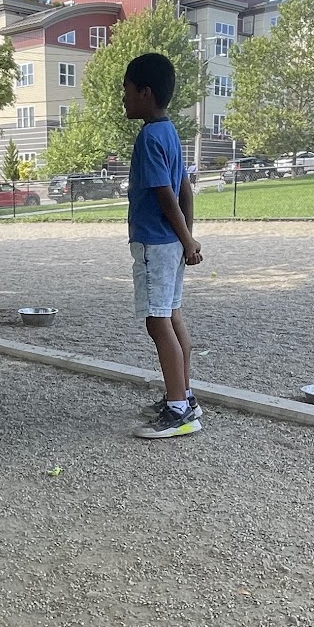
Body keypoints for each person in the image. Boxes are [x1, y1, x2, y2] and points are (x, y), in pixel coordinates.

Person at [121, 52, 206, 439]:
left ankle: (178, 411)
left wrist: (186, 238)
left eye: (126, 90)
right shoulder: (169, 132)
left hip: (155, 243)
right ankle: (184, 396)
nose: (123, 98)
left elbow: (165, 195)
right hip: (171, 243)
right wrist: (187, 238)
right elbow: (184, 187)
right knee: (172, 316)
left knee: (156, 322)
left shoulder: (149, 137)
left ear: (145, 92)